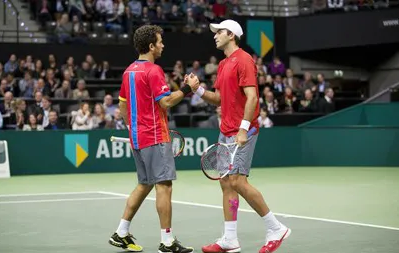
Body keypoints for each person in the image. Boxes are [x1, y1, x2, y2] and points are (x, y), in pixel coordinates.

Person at [187, 19, 291, 253]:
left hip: (243, 130)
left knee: (238, 181)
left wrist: (243, 128)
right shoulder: (224, 64)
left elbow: (253, 97)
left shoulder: (244, 60)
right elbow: (219, 99)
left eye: (219, 32)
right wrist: (198, 90)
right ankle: (230, 239)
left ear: (231, 35)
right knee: (226, 183)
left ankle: (275, 228)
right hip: (226, 130)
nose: (215, 35)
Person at [108, 24, 195, 253]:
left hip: (138, 138)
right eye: (160, 41)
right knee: (164, 186)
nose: (163, 45)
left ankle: (121, 232)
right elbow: (165, 102)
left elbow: (123, 104)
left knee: (144, 184)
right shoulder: (153, 71)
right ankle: (167, 242)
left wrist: (132, 128)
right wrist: (188, 88)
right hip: (156, 136)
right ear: (151, 46)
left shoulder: (128, 71)